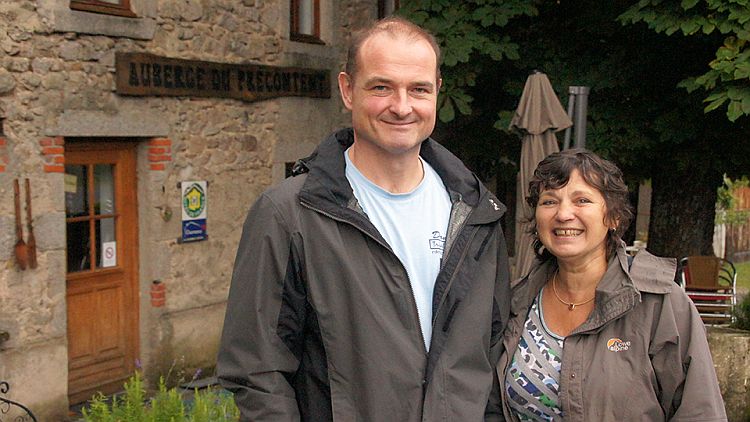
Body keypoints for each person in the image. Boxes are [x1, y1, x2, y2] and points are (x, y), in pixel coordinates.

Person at [217, 16, 511, 421]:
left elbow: (492, 355)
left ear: (437, 93)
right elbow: (257, 370)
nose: (402, 106)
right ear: (347, 90)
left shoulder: (478, 215)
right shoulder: (289, 215)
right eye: (382, 87)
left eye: (418, 89)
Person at [496, 149, 727, 421]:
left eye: (582, 200)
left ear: (614, 217)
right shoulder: (516, 301)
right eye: (549, 202)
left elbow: (700, 412)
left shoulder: (657, 302)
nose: (563, 214)